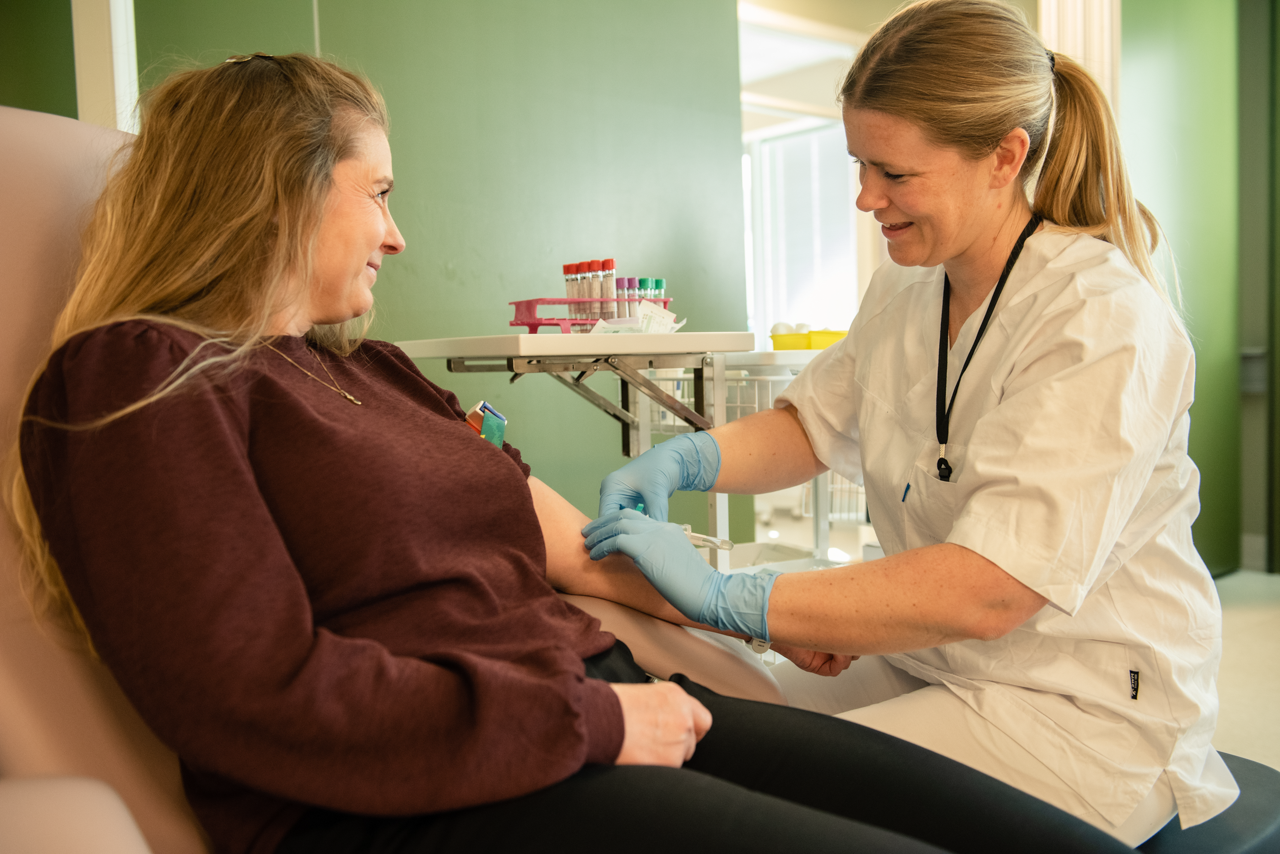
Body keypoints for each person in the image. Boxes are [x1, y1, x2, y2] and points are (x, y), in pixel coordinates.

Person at [9, 51, 1134, 854]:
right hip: (413, 790)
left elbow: (569, 549)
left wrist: (741, 606)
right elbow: (252, 694)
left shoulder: (369, 366)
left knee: (1026, 836)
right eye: (379, 193)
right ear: (278, 190)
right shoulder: (138, 373)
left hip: (589, 697)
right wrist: (595, 719)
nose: (397, 234)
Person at [585, 0, 1238, 846]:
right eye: (859, 164)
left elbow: (990, 586)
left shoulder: (1100, 317)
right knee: (701, 708)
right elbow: (811, 425)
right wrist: (683, 461)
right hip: (927, 662)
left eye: (894, 174)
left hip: (1079, 707)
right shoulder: (910, 283)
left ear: (1005, 157)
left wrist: (736, 598)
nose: (866, 198)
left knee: (759, 786)